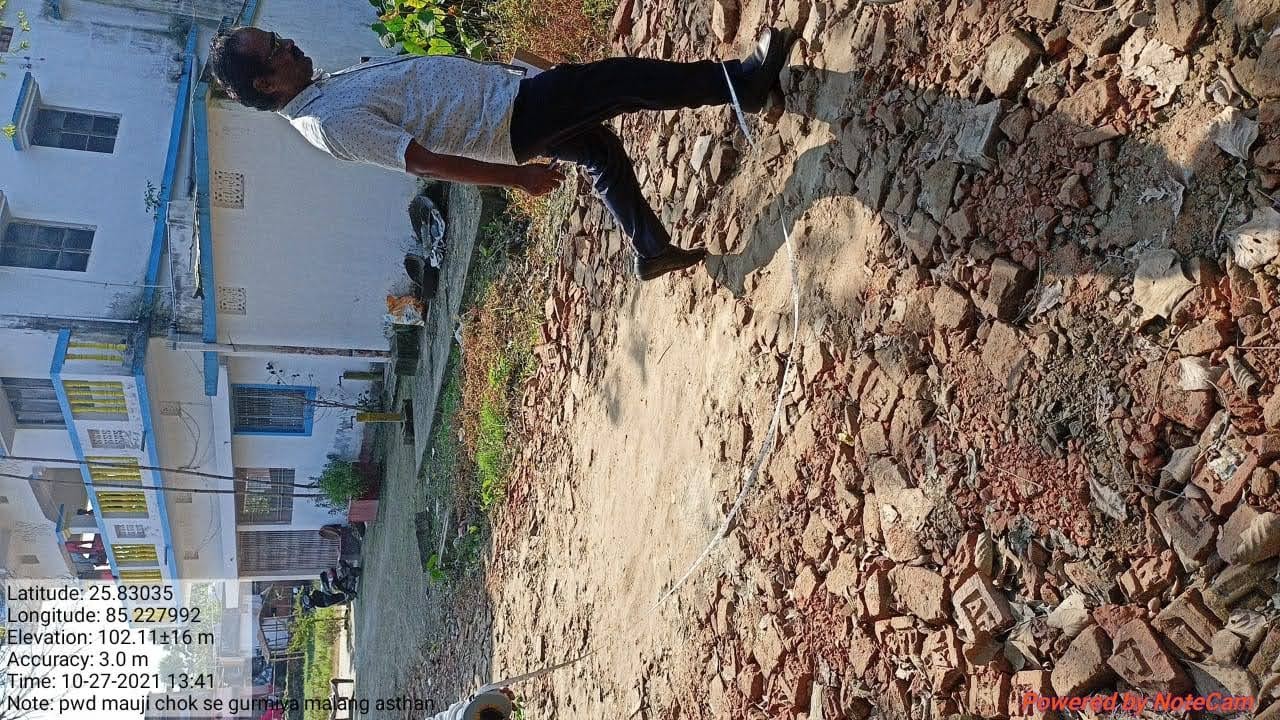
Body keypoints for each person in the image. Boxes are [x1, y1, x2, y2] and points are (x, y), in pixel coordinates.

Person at [206, 26, 791, 281]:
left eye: (279, 38)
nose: (290, 44)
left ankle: (652, 249)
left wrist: (514, 69)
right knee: (620, 80)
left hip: (507, 99)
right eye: (276, 49)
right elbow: (422, 161)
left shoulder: (322, 90)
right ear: (266, 83)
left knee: (600, 150)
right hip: (510, 121)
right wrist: (517, 179)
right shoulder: (326, 122)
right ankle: (741, 82)